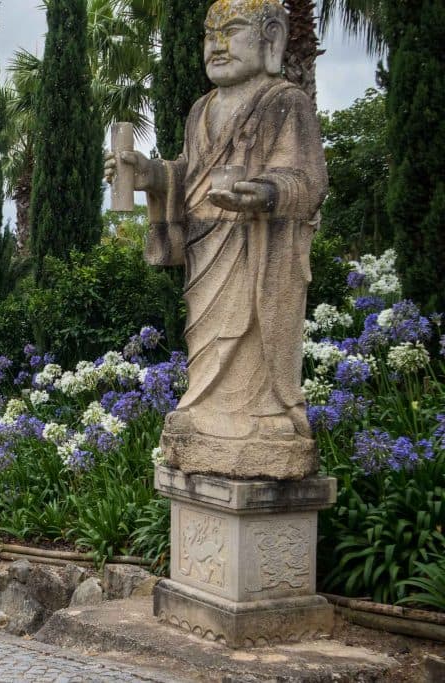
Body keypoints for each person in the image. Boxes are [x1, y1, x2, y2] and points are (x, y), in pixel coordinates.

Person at [104, 0, 327, 444]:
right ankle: (205, 407)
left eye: (233, 31)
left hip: (261, 247)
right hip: (208, 250)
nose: (217, 45)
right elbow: (191, 173)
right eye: (210, 35)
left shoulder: (286, 103)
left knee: (253, 335)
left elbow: (308, 179)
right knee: (208, 341)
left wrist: (266, 193)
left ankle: (268, 415)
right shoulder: (200, 111)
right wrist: (151, 174)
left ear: (271, 40)